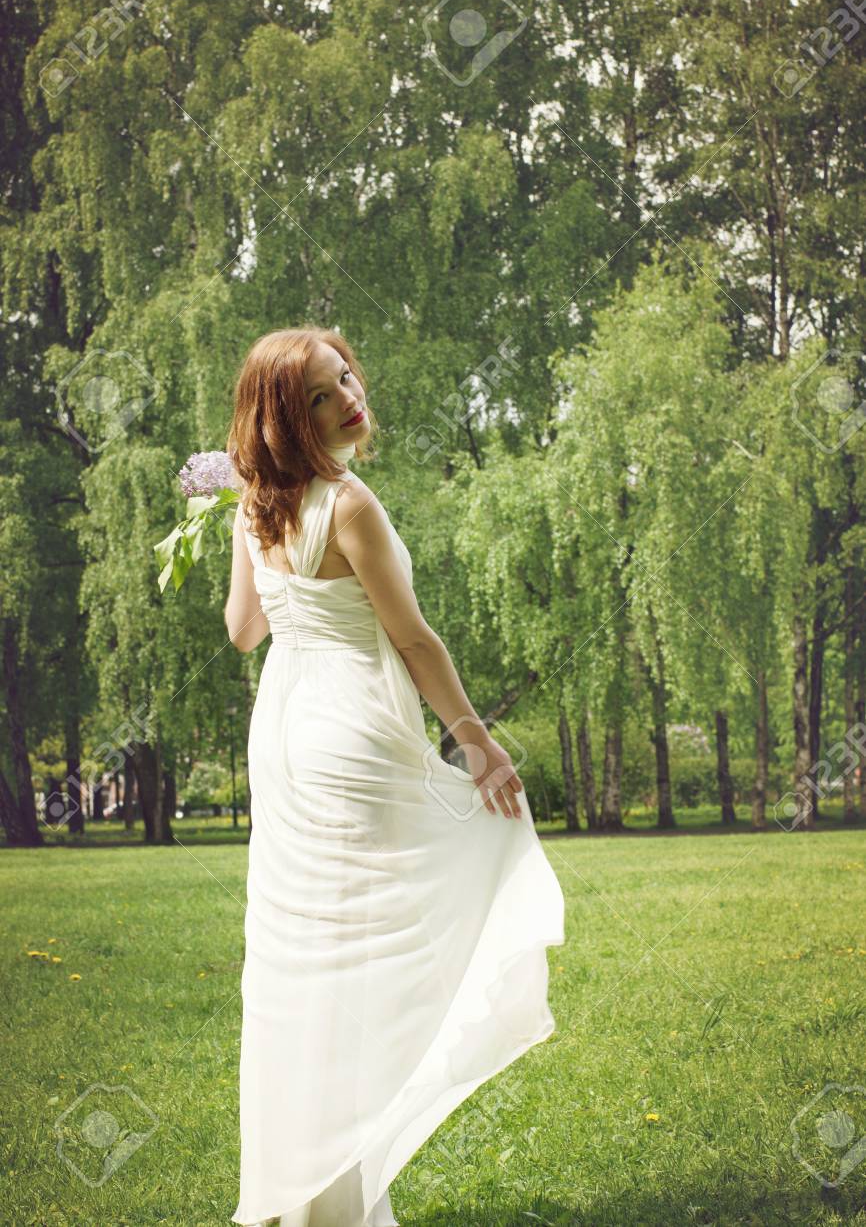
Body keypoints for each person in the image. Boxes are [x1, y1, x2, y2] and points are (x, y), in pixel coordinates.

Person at [224, 326, 565, 1227]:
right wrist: (477, 744)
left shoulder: (251, 505)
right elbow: (413, 640)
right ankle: (341, 1188)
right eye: (323, 398)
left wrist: (246, 543)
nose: (350, 399)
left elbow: (242, 632)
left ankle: (312, 1194)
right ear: (290, 419)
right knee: (397, 919)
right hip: (349, 734)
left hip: (286, 737)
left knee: (305, 959)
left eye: (346, 379)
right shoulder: (348, 505)